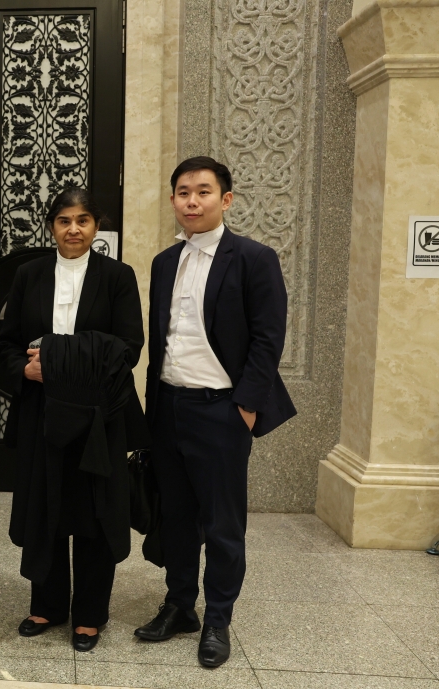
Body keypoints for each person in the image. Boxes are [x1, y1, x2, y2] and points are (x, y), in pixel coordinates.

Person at [134, 157, 296, 667]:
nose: (192, 201)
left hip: (221, 410)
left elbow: (268, 338)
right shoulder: (165, 262)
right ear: (173, 200)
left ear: (225, 199)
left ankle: (218, 618)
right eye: (183, 192)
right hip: (169, 407)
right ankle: (180, 605)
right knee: (176, 516)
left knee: (223, 524)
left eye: (203, 191)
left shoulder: (253, 258)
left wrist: (244, 406)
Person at [0, 188, 147, 652]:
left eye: (83, 220)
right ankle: (46, 605)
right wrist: (25, 370)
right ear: (51, 226)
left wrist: (59, 363)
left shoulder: (117, 276)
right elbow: (6, 343)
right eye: (64, 221)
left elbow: (128, 347)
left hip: (97, 414)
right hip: (40, 409)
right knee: (45, 506)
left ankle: (89, 614)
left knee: (94, 512)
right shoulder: (29, 274)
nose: (74, 229)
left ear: (96, 226)